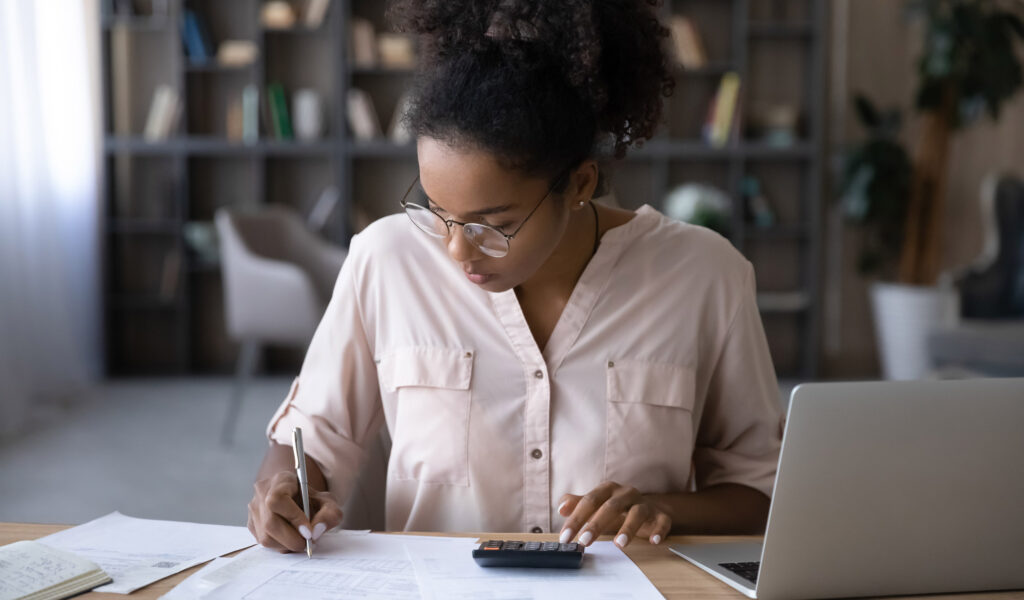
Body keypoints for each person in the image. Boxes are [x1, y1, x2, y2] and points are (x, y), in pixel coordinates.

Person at [247, 0, 783, 554]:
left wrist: (666, 507)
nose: (456, 250)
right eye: (437, 210)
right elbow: (311, 435)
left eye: (494, 224)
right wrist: (280, 489)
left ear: (579, 185)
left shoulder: (705, 276)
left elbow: (761, 491)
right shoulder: (386, 261)